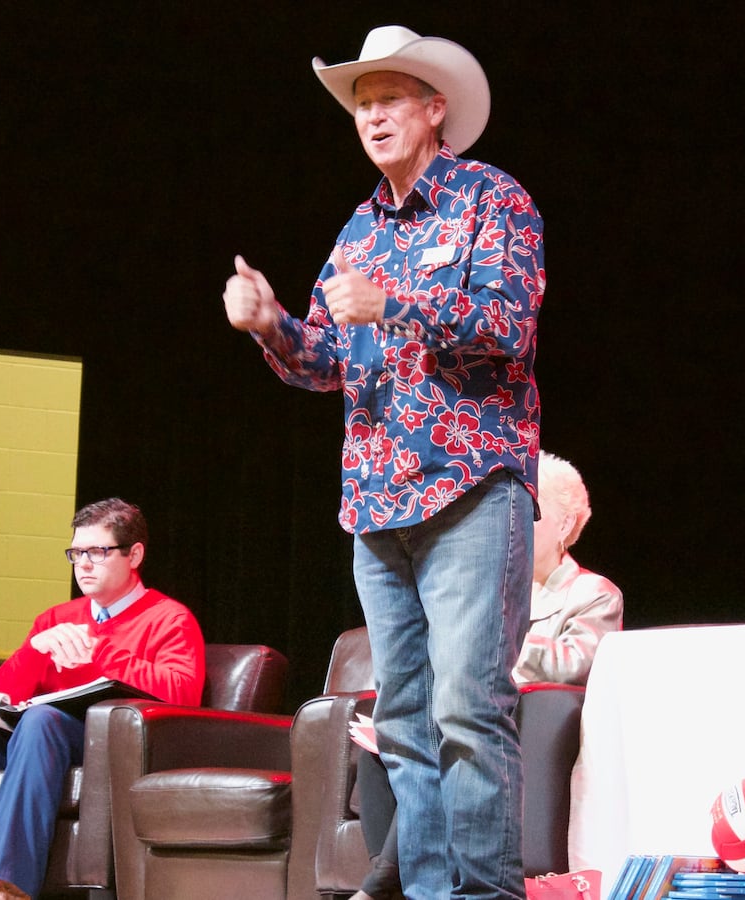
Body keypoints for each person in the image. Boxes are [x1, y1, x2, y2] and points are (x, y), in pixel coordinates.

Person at [222, 24, 544, 900]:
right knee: (403, 722)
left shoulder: (492, 199)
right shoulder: (358, 229)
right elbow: (326, 359)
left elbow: (508, 328)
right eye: (362, 104)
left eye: (390, 99)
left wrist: (397, 301)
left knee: (468, 714)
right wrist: (272, 324)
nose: (373, 116)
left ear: (436, 110)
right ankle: (433, 892)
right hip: (374, 503)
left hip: (472, 490)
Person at [0, 497, 205, 900]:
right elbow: (1, 694)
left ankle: (11, 888)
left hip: (102, 744)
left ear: (134, 554)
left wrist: (100, 653)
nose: (83, 564)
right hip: (32, 740)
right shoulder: (56, 617)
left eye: (98, 552)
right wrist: (35, 650)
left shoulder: (169, 618)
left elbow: (182, 693)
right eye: (76, 553)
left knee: (42, 719)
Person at [352, 450, 624, 900]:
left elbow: (579, 660)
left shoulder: (591, 593)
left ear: (562, 526)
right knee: (391, 738)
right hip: (461, 698)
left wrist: (486, 642)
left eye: (535, 513)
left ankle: (384, 882)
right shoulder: (469, 582)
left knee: (458, 725)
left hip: (531, 719)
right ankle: (397, 880)